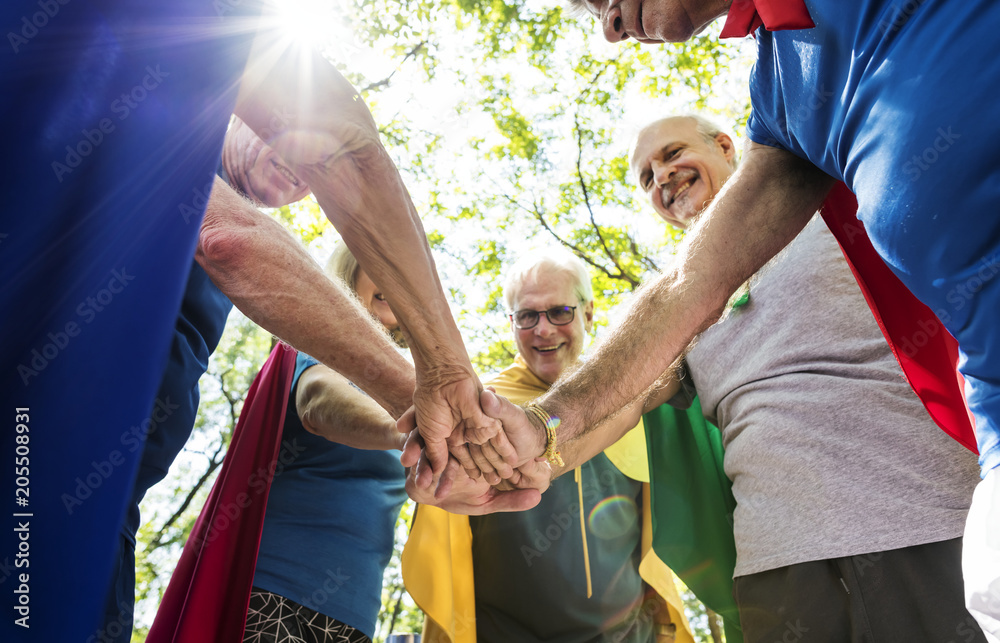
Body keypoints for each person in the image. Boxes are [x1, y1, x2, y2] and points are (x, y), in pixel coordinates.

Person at [412, 1, 1000, 635]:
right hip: (779, 578)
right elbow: (626, 398)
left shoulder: (839, 197)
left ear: (726, 144)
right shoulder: (674, 300)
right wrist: (532, 450)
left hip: (934, 533)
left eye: (671, 154)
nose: (661, 177)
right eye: (645, 178)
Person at [0, 3, 533, 638]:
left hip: (109, 501)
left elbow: (345, 156)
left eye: (312, 175)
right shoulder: (158, 115)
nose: (299, 164)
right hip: (39, 462)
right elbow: (237, 241)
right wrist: (431, 398)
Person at [402, 251, 693, 643]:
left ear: (588, 314)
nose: (543, 329)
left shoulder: (634, 399)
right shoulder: (477, 410)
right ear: (512, 324)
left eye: (559, 312)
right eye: (527, 316)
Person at [242, 242, 409, 643]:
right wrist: (406, 430)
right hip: (273, 594)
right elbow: (317, 400)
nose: (393, 278)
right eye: (379, 265)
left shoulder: (407, 388)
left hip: (355, 613)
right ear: (349, 273)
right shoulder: (312, 345)